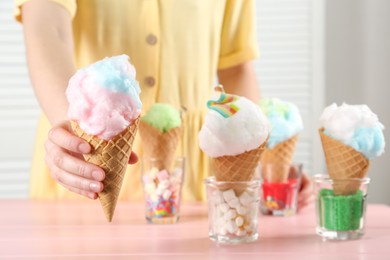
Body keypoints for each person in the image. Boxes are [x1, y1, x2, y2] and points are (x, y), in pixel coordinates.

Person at [15, 0, 313, 208]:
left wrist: (259, 161)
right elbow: (46, 27)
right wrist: (73, 126)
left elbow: (235, 67)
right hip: (83, 165)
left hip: (191, 173)